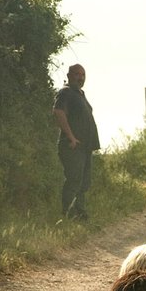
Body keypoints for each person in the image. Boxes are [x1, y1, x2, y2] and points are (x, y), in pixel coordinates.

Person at [52, 63, 101, 220]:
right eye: (76, 74)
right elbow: (58, 112)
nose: (80, 78)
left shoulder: (80, 94)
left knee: (84, 182)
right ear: (69, 76)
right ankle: (68, 214)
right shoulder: (66, 92)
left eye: (82, 75)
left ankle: (79, 213)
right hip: (72, 147)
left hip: (84, 148)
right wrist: (71, 137)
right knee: (74, 180)